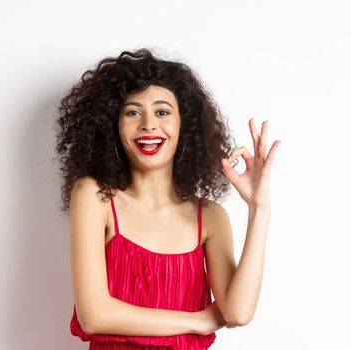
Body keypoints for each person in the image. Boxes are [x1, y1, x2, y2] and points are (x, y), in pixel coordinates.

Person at [57, 48, 280, 349]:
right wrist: (197, 321)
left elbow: (237, 312)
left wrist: (259, 208)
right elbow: (94, 316)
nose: (148, 124)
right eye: (132, 112)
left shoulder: (210, 217)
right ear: (114, 126)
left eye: (162, 112)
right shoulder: (96, 197)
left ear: (184, 126)